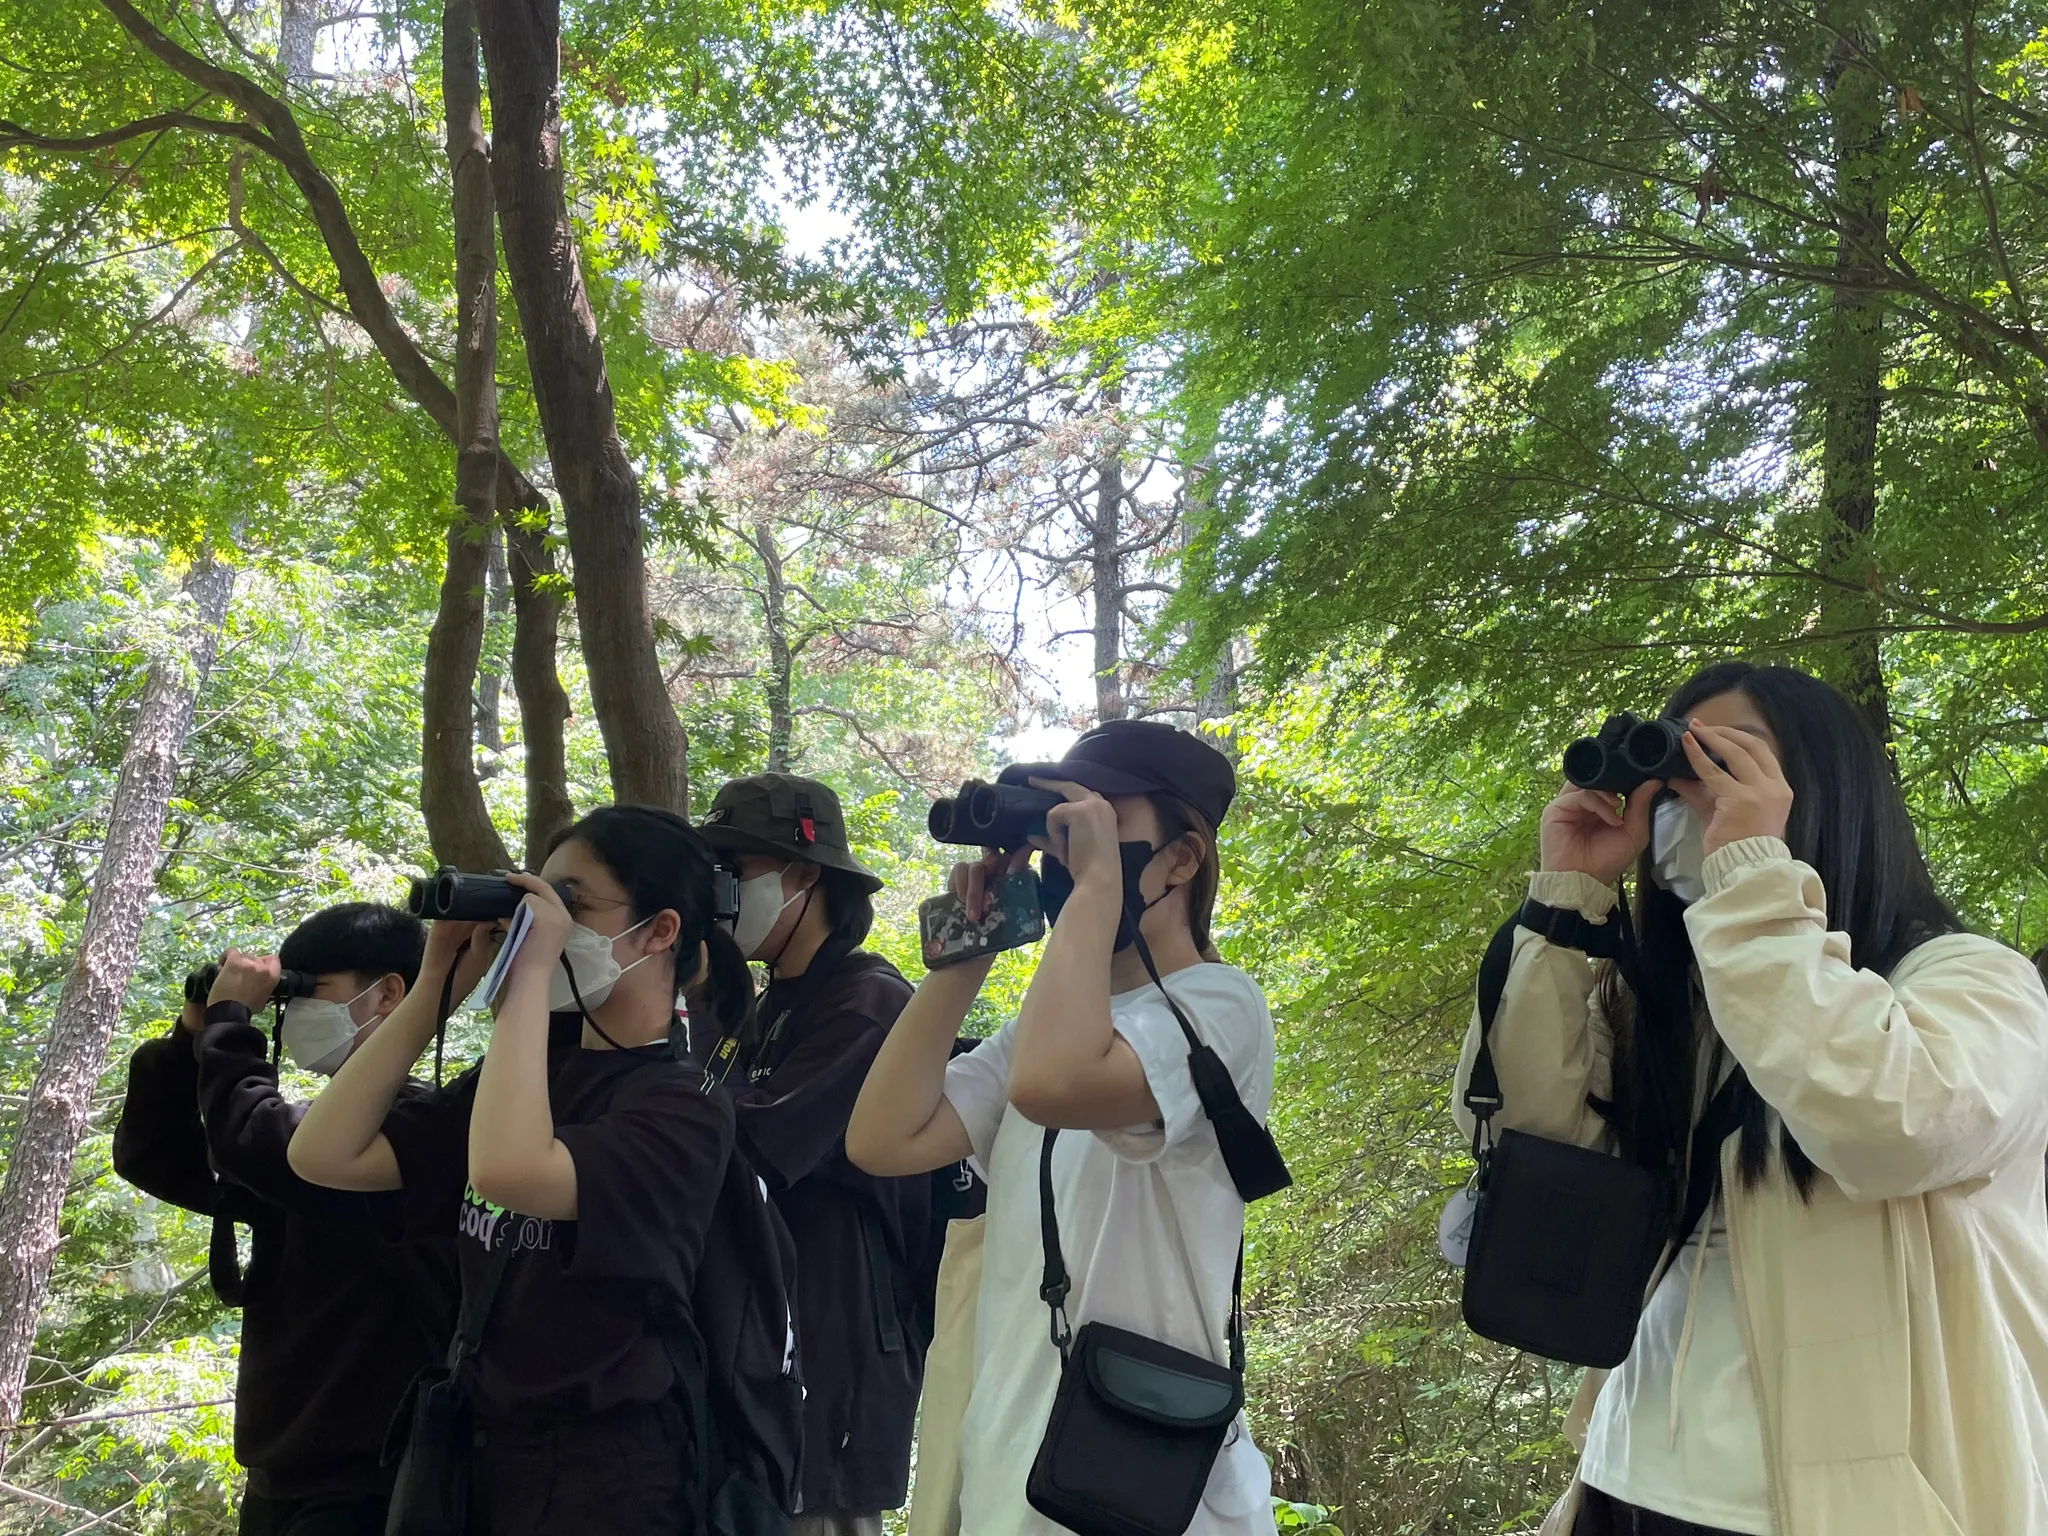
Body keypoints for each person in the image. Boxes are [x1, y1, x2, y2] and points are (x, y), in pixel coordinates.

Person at [1451, 663, 2048, 1536]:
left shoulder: (1972, 980)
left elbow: (1891, 1126)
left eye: (1724, 764)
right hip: (1626, 1477)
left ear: (1826, 788)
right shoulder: (1683, 1011)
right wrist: (1569, 901)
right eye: (1670, 782)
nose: (1691, 801)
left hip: (1836, 1509)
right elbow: (1532, 1137)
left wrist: (1752, 875)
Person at [845, 719, 1281, 1536]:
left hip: (1154, 1493)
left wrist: (1094, 890)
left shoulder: (1220, 1008)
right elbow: (882, 1139)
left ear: (1182, 859)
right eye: (1058, 835)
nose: (1068, 856)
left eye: (1098, 825)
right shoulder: (1037, 1035)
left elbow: (1056, 1084)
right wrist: (970, 949)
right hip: (1012, 1481)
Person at [286, 805, 760, 1536]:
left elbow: (509, 1171)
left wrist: (530, 974)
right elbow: (323, 1153)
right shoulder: (532, 1077)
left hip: (609, 1480)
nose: (547, 925)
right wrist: (434, 986)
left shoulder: (686, 1106)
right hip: (484, 1459)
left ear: (660, 931)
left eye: (572, 905)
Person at [112, 903, 455, 1536]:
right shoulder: (306, 1137)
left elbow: (256, 1142)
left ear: (388, 995)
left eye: (308, 989)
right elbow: (154, 1154)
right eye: (285, 996)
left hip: (374, 1481)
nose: (293, 1012)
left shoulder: (409, 1134)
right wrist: (191, 1035)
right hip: (282, 1475)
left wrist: (231, 1024)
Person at [697, 773, 930, 1536]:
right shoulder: (761, 1007)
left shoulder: (869, 1003)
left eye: (733, 870)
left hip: (835, 1365)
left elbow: (753, 1150)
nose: (718, 892)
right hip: (762, 1355)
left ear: (803, 877)